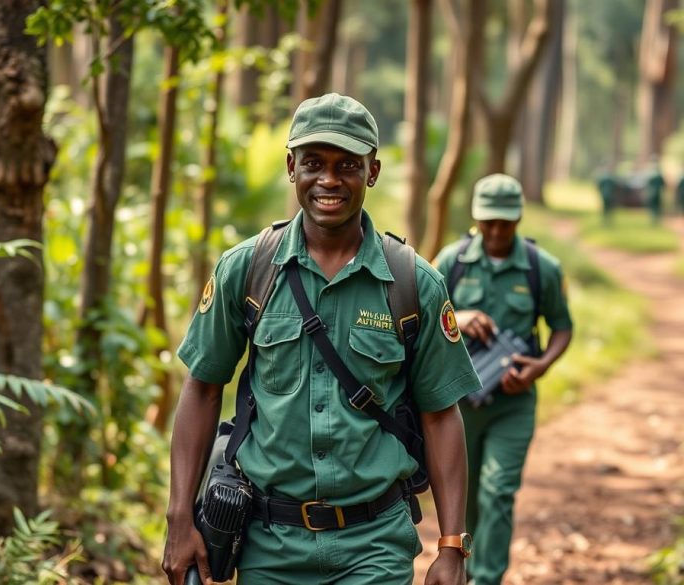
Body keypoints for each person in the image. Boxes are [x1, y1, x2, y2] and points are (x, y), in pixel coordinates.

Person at [163, 93, 480, 585]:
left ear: (372, 171)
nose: (329, 180)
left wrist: (452, 545)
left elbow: (441, 415)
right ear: (291, 167)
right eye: (313, 163)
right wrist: (180, 519)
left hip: (374, 544)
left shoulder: (414, 283)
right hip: (269, 544)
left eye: (347, 165)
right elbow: (202, 389)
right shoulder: (246, 271)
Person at [433, 174, 573, 585]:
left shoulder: (539, 267)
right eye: (488, 222)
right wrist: (458, 317)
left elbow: (562, 327)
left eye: (505, 223)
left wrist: (541, 365)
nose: (496, 232)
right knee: (465, 500)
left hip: (513, 404)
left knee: (498, 490)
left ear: (519, 219)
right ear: (476, 218)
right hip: (458, 405)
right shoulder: (451, 262)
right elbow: (420, 322)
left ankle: (487, 578)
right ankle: (466, 569)